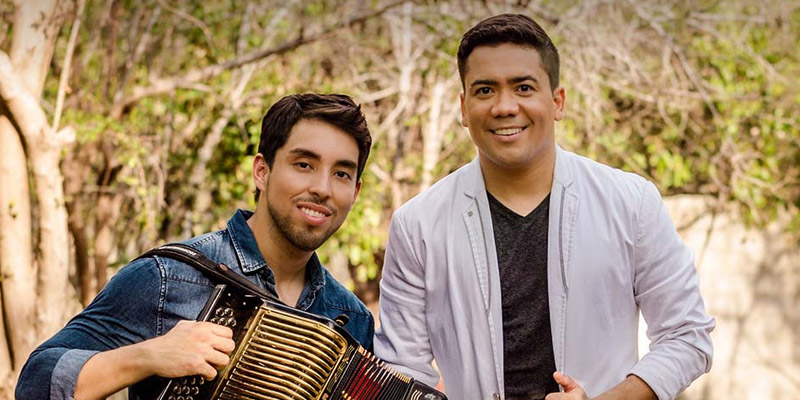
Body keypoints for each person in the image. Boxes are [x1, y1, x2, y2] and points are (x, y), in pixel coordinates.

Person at [374, 14, 715, 400]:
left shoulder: (631, 202)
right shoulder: (417, 224)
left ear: (556, 101)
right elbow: (400, 370)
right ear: (464, 108)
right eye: (485, 90)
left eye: (523, 87)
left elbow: (687, 335)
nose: (505, 106)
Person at [17, 93, 375, 400]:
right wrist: (148, 357)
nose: (323, 188)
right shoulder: (169, 277)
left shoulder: (351, 319)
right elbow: (36, 381)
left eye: (341, 173)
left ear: (355, 192)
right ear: (262, 172)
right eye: (304, 164)